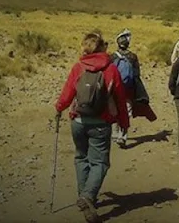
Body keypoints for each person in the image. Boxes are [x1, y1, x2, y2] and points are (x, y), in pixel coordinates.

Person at [54, 32, 130, 223]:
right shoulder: (111, 70)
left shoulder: (78, 67)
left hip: (78, 121)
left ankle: (85, 196)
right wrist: (124, 123)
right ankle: (87, 197)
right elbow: (120, 100)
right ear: (102, 48)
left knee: (81, 157)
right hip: (100, 124)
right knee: (100, 163)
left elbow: (68, 92)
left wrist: (59, 108)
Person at [111, 29, 139, 148]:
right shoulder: (133, 57)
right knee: (126, 111)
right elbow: (137, 74)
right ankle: (123, 134)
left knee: (114, 109)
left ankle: (115, 132)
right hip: (128, 89)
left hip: (115, 88)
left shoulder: (112, 56)